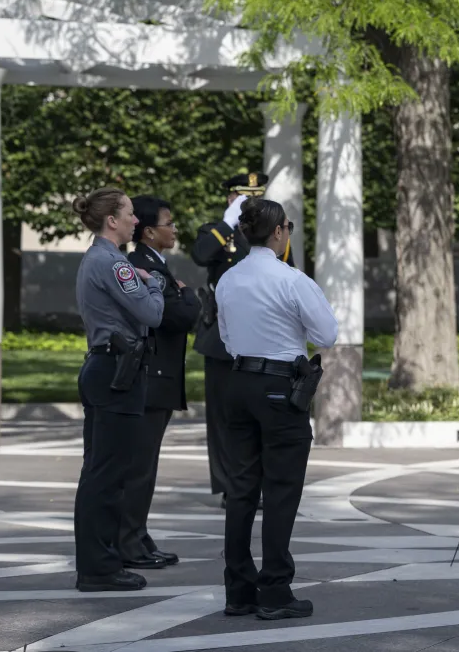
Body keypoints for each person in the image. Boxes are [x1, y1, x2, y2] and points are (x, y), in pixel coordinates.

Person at [216, 197, 337, 620]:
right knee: (281, 491)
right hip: (279, 385)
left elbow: (227, 337)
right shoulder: (291, 279)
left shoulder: (228, 279)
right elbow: (326, 333)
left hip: (238, 382)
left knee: (241, 489)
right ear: (280, 232)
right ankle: (275, 589)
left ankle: (238, 589)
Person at [71, 188, 165, 592]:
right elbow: (151, 313)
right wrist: (157, 282)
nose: (135, 221)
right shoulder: (115, 264)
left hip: (106, 367)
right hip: (117, 371)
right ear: (112, 220)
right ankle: (100, 568)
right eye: (129, 213)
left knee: (99, 472)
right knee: (108, 476)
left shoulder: (97, 259)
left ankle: (98, 562)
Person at [118, 196, 201, 571]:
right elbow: (175, 317)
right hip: (150, 377)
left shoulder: (156, 264)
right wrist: (188, 295)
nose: (175, 228)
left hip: (159, 377)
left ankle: (138, 535)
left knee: (145, 464)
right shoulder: (139, 265)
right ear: (149, 231)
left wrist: (182, 297)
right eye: (169, 222)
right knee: (139, 465)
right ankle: (129, 542)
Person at [191, 171, 268, 506]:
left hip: (261, 333)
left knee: (259, 412)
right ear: (230, 198)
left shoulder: (273, 233)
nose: (251, 202)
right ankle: (228, 485)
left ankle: (255, 481)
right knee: (222, 414)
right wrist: (227, 225)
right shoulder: (215, 231)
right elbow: (201, 254)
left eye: (257, 197)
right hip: (221, 336)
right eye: (243, 197)